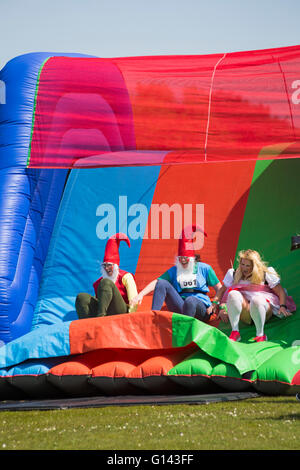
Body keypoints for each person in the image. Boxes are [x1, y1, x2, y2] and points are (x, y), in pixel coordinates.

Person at [130, 225, 222, 322]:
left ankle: (184, 329)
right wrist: (140, 295)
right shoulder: (175, 270)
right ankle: (153, 319)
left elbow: (220, 289)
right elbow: (156, 282)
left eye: (185, 259)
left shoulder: (204, 268)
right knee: (162, 283)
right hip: (181, 306)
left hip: (201, 309)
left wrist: (215, 304)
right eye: (180, 258)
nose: (183, 261)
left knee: (190, 301)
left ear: (191, 259)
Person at [212, 249, 296, 342]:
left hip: (263, 308)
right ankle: (235, 332)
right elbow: (222, 290)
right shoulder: (234, 273)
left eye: (248, 265)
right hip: (246, 312)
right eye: (242, 264)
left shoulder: (265, 274)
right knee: (233, 293)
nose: (244, 268)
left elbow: (280, 291)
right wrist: (217, 304)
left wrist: (282, 306)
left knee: (257, 299)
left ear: (255, 266)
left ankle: (260, 335)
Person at [75, 233, 138, 319]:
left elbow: (134, 300)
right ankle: (87, 324)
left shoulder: (126, 277)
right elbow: (100, 301)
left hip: (121, 313)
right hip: (105, 312)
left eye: (109, 265)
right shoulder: (99, 282)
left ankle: (101, 318)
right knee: (81, 297)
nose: (107, 268)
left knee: (106, 283)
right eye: (104, 266)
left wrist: (131, 317)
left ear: (115, 266)